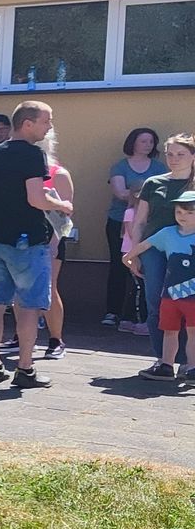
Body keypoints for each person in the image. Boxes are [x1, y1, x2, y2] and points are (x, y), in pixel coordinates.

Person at [0, 101, 73, 389]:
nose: (50, 127)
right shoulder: (33, 154)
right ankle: (25, 369)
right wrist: (62, 205)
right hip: (27, 242)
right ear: (27, 124)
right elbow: (36, 198)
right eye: (46, 121)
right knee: (29, 306)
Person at [128, 132, 195, 370]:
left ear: (193, 156)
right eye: (170, 154)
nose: (174, 159)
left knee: (189, 303)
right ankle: (163, 360)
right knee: (157, 301)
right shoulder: (153, 183)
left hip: (188, 253)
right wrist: (135, 253)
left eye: (180, 154)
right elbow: (140, 222)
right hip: (154, 249)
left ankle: (189, 362)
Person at [123, 194, 195, 381]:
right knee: (169, 330)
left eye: (189, 212)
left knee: (193, 331)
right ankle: (166, 365)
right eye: (179, 211)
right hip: (170, 295)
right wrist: (129, 256)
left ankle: (192, 367)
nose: (183, 216)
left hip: (193, 296)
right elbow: (145, 244)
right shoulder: (168, 233)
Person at [105, 128, 166, 330]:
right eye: (143, 141)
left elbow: (164, 193)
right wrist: (145, 196)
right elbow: (120, 192)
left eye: (151, 142)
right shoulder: (120, 166)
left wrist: (139, 195)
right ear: (133, 143)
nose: (148, 145)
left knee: (144, 268)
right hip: (120, 220)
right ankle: (113, 311)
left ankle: (142, 315)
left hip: (149, 224)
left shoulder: (158, 167)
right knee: (119, 265)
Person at [38, 134, 76, 360]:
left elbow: (65, 215)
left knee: (49, 287)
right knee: (21, 289)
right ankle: (22, 336)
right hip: (24, 238)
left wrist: (54, 243)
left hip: (50, 239)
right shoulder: (21, 173)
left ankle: (56, 339)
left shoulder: (58, 174)